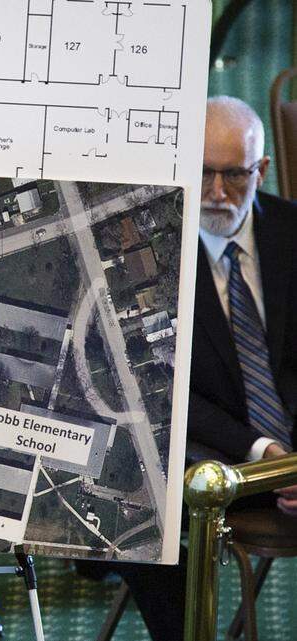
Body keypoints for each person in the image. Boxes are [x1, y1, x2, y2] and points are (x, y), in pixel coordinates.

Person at [114, 96, 297, 641]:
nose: (217, 193)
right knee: (134, 491)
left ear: (260, 170)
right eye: (203, 173)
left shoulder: (291, 232)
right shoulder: (147, 253)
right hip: (208, 450)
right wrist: (267, 454)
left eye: (235, 176)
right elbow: (167, 391)